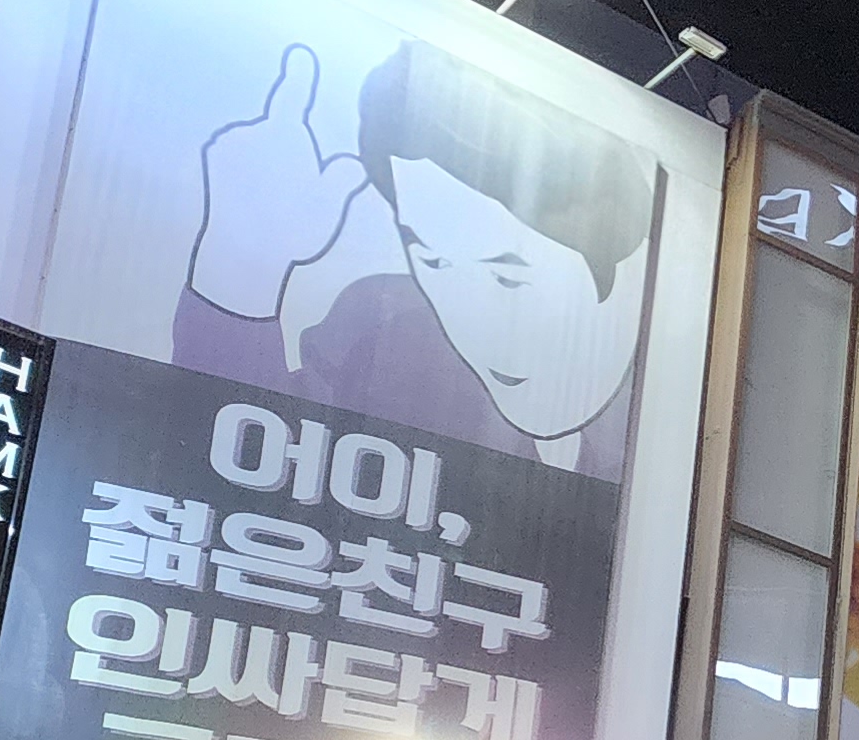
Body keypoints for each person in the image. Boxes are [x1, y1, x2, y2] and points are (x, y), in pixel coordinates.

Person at [176, 39, 663, 478]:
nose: (472, 325)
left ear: (616, 255)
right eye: (433, 263)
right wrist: (239, 276)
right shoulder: (388, 336)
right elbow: (238, 451)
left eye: (507, 277)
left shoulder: (665, 412)